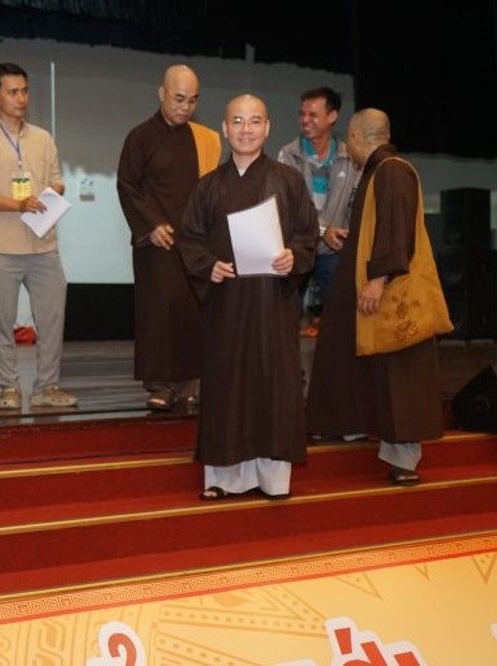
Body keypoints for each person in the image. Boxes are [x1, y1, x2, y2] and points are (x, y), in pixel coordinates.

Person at [178, 95, 317, 501]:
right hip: (227, 302)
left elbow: (307, 234)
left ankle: (273, 478)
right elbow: (189, 238)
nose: (246, 129)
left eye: (255, 121)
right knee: (227, 383)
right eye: (237, 121)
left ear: (267, 128)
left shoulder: (289, 181)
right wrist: (207, 266)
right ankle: (224, 476)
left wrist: (294, 256)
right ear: (225, 128)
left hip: (272, 301)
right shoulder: (208, 186)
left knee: (274, 384)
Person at [305, 108, 444, 487]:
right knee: (343, 347)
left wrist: (379, 278)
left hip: (388, 289)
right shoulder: (377, 170)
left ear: (355, 136)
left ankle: (403, 457)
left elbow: (396, 228)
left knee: (398, 372)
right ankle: (348, 423)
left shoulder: (393, 170)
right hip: (362, 282)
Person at [0, 62, 76, 411]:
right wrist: (17, 204)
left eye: (25, 91)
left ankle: (47, 386)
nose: (21, 98)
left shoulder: (43, 138)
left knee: (52, 320)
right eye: (13, 92)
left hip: (43, 244)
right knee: (2, 322)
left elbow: (57, 179)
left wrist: (52, 193)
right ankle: (9, 387)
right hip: (0, 246)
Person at [116, 64, 221, 411]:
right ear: (161, 94)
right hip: (156, 243)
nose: (185, 107)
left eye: (192, 100)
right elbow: (127, 186)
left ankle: (190, 383)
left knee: (192, 312)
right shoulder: (140, 137)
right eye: (179, 99)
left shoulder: (203, 138)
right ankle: (160, 384)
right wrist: (151, 226)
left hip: (194, 242)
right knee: (159, 312)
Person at [276, 87, 357, 334]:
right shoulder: (287, 155)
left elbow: (356, 204)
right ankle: (288, 361)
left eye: (312, 114)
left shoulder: (351, 158)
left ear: (332, 116)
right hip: (297, 249)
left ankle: (336, 360)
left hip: (334, 252)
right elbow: (288, 208)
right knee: (285, 317)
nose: (304, 120)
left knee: (344, 317)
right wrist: (323, 230)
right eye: (302, 114)